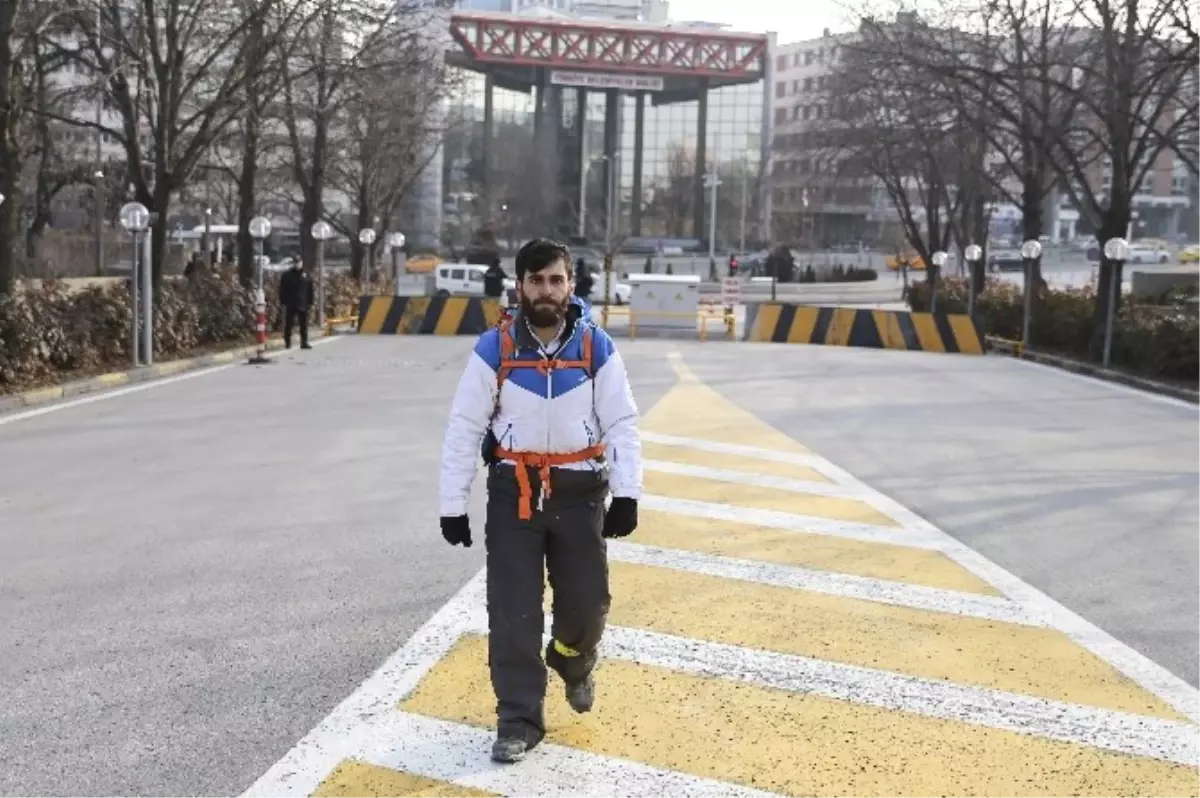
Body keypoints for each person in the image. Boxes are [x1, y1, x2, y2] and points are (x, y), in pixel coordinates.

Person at [438, 237, 642, 764]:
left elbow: (621, 422)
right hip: (515, 495)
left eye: (555, 280)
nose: (546, 290)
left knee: (586, 605)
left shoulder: (596, 347)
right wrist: (452, 504)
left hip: (580, 494)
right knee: (513, 612)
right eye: (536, 280)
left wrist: (627, 494)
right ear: (520, 286)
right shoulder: (494, 349)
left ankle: (574, 662)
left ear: (570, 285)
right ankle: (519, 720)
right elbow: (464, 427)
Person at [279, 256, 314, 349]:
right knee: (289, 324)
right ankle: (287, 342)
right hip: (290, 303)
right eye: (295, 263)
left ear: (301, 263)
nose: (297, 264)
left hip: (303, 303)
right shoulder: (287, 275)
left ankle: (304, 342)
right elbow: (282, 290)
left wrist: (310, 302)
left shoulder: (306, 275)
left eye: (298, 262)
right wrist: (283, 301)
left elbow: (310, 290)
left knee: (304, 324)